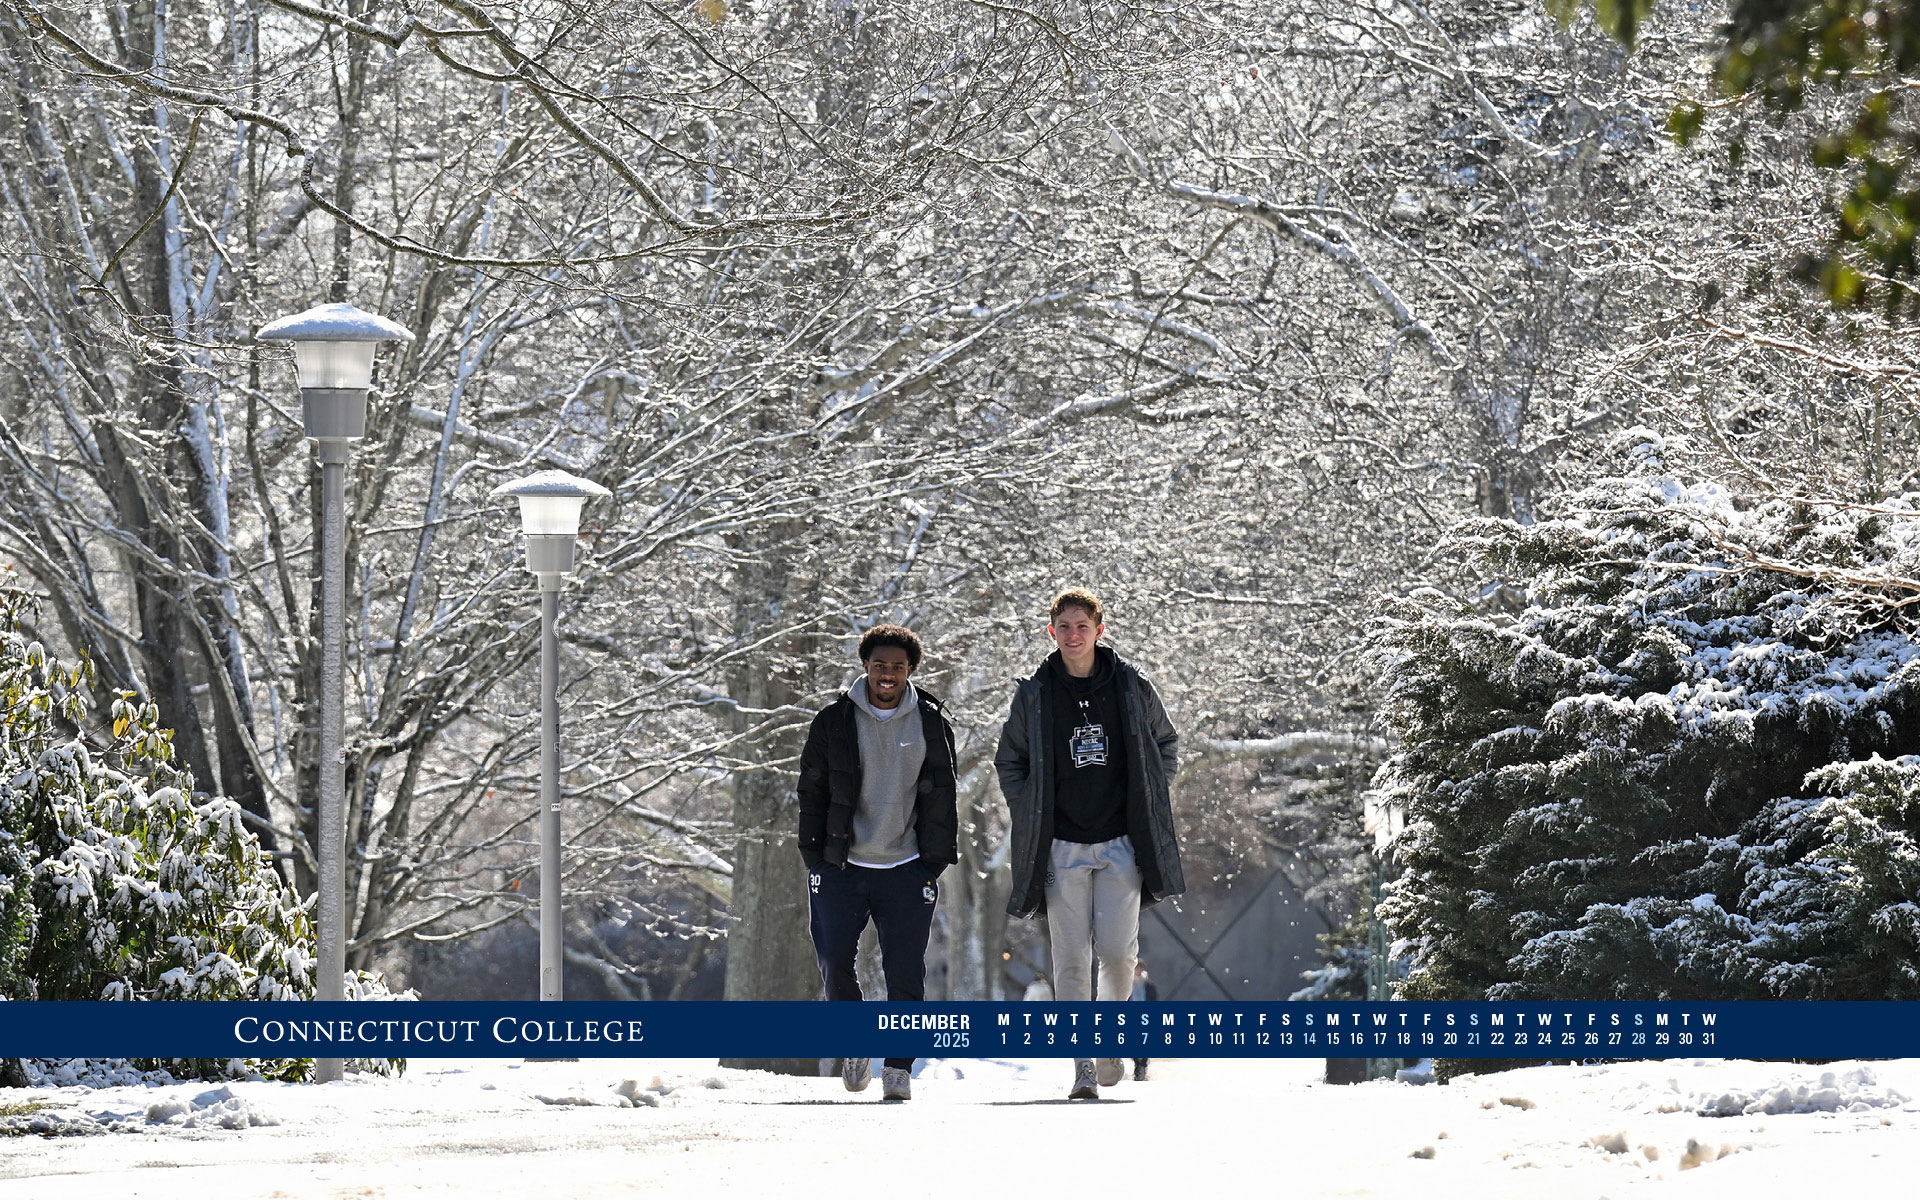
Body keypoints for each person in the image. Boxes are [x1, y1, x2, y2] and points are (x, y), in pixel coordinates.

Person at [994, 588, 1185, 1100]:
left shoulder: (1130, 686)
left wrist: (1150, 793)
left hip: (1121, 843)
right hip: (1060, 847)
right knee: (1071, 958)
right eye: (1064, 627)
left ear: (1100, 631)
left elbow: (1166, 742)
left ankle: (1108, 1042)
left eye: (1082, 626)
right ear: (1050, 632)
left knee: (1120, 956)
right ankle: (1082, 1064)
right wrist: (1029, 805)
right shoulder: (1035, 694)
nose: (1073, 635)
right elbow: (1009, 760)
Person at [796, 624, 957, 1102]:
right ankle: (855, 1043)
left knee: (906, 972)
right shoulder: (833, 721)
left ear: (911, 672)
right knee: (834, 964)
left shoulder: (930, 722)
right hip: (841, 866)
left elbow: (943, 796)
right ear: (865, 666)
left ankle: (898, 1067)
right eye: (880, 665)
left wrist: (931, 864)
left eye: (898, 667)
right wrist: (815, 858)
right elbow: (812, 791)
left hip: (907, 868)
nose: (888, 675)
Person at [1129, 959, 1158, 1081]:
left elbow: (1153, 999)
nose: (1138, 970)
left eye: (1139, 967)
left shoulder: (1148, 985)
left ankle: (1144, 1064)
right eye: (1136, 967)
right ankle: (1137, 1065)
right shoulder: (1128, 983)